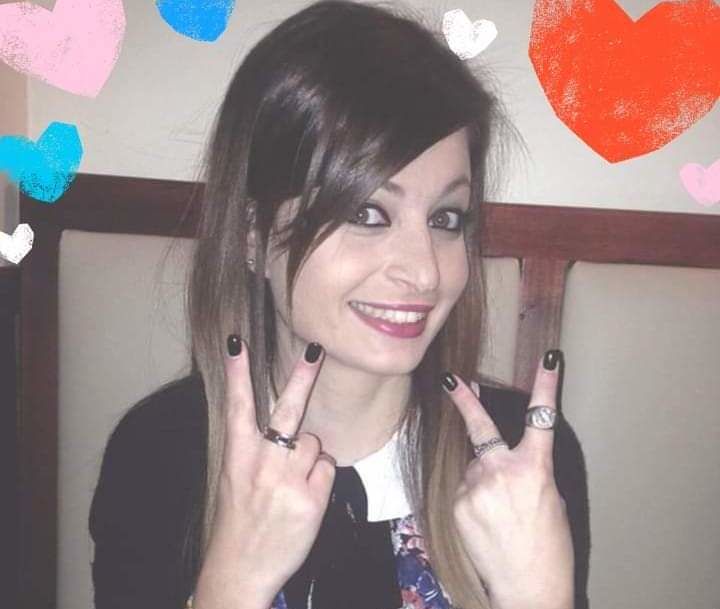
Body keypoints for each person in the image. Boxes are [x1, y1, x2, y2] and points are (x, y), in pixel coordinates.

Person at [89, 1, 590, 609]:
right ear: (252, 234)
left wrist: (539, 594)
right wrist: (232, 583)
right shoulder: (161, 454)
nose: (425, 271)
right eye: (367, 213)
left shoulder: (523, 462)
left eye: (445, 218)